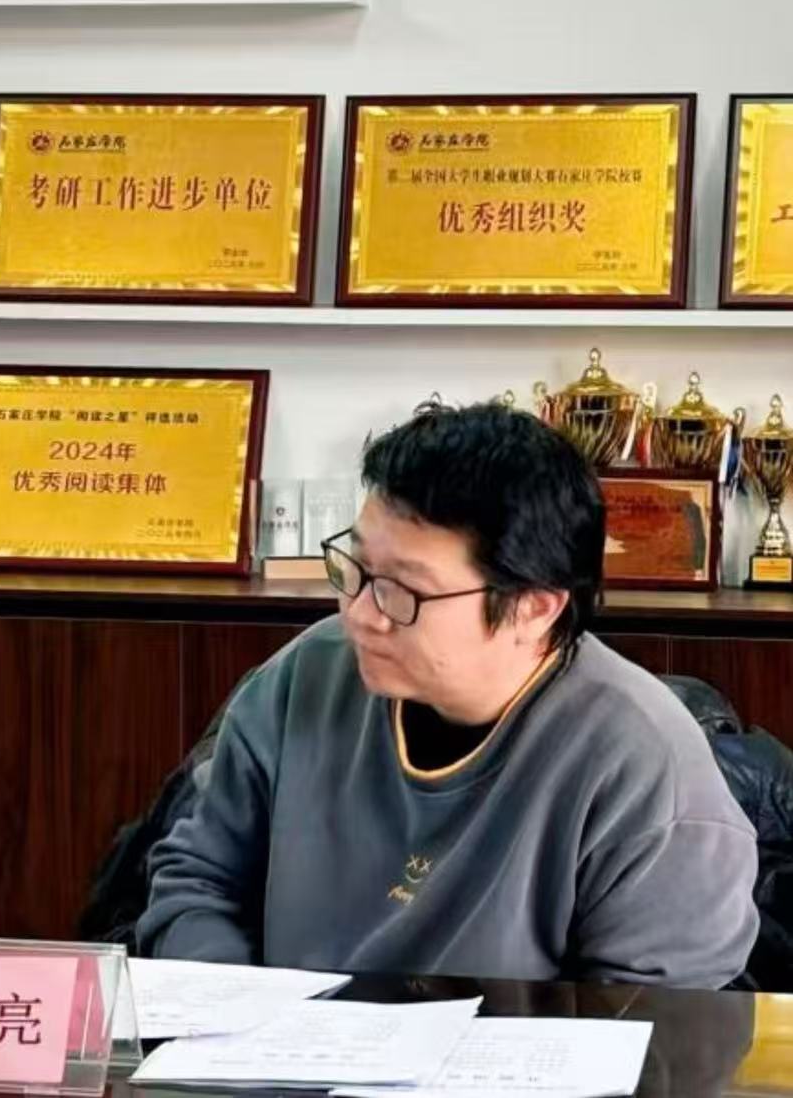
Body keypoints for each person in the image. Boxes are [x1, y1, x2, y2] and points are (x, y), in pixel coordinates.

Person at [137, 401, 758, 988]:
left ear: (534, 608)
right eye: (356, 568)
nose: (359, 615)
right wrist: (239, 1016)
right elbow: (198, 881)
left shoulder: (644, 767)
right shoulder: (308, 674)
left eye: (404, 591)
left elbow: (653, 1018)